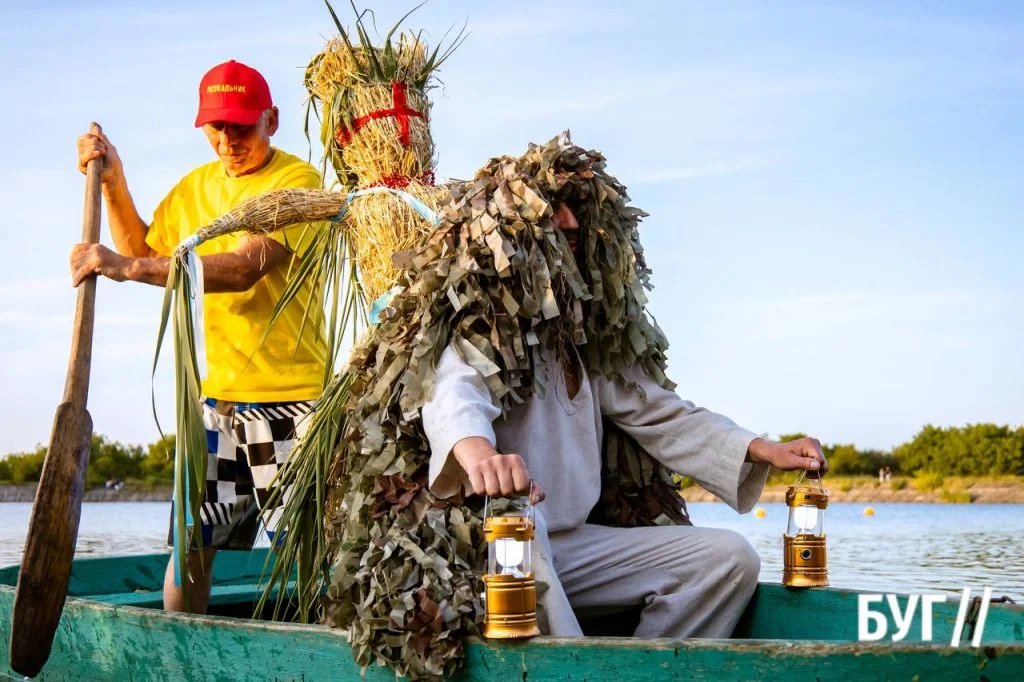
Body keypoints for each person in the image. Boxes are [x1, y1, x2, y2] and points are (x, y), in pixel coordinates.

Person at [421, 197, 829, 639]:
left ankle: (646, 668)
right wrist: (480, 455)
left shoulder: (585, 348)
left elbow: (662, 413)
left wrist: (764, 449)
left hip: (576, 549)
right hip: (500, 549)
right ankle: (572, 667)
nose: (571, 222)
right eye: (554, 213)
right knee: (522, 532)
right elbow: (452, 394)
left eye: (578, 214)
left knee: (729, 559)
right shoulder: (484, 330)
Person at [71, 60, 327, 613]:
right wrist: (114, 181)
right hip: (214, 404)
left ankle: (322, 647)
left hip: (290, 401)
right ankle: (179, 652)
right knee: (191, 548)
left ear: (271, 120)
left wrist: (127, 269)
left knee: (307, 552)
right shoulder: (196, 187)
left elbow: (244, 269)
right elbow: (143, 248)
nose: (229, 141)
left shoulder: (297, 183)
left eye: (242, 126)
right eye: (217, 127)